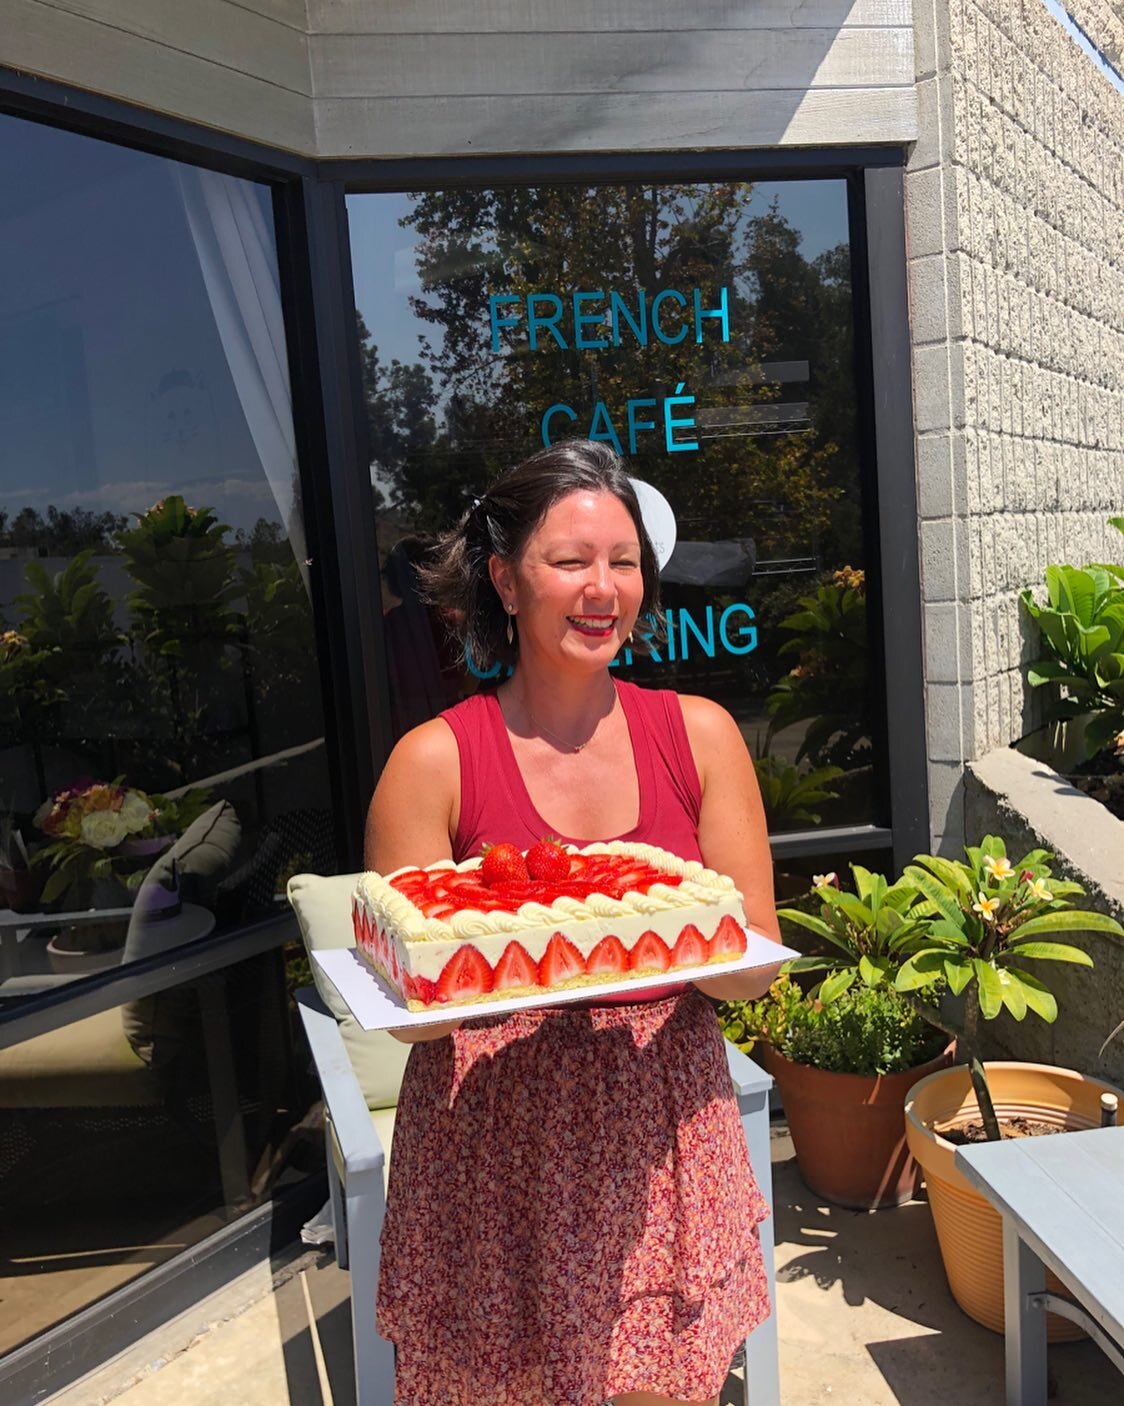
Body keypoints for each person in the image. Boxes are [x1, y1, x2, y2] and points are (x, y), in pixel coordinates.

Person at [365, 440, 783, 1406]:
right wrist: (465, 978)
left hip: (661, 1126)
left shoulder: (702, 738)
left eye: (624, 561)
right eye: (571, 561)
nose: (604, 589)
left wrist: (687, 941)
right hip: (495, 1142)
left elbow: (753, 958)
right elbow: (410, 1008)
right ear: (507, 582)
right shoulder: (434, 762)